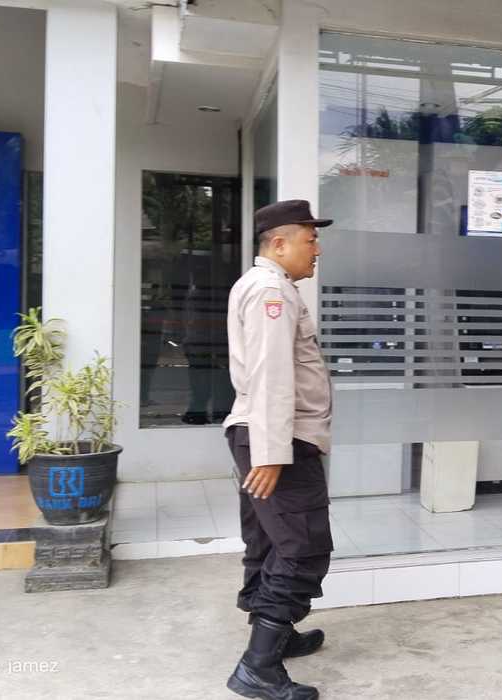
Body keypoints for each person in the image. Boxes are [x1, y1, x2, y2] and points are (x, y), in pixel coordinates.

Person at [222, 200, 334, 700]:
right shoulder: (272, 291)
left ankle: (276, 636)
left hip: (266, 434)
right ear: (280, 243)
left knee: (269, 541)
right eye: (311, 240)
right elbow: (271, 374)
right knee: (302, 546)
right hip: (277, 440)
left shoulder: (265, 285)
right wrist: (271, 453)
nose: (317, 249)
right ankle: (258, 667)